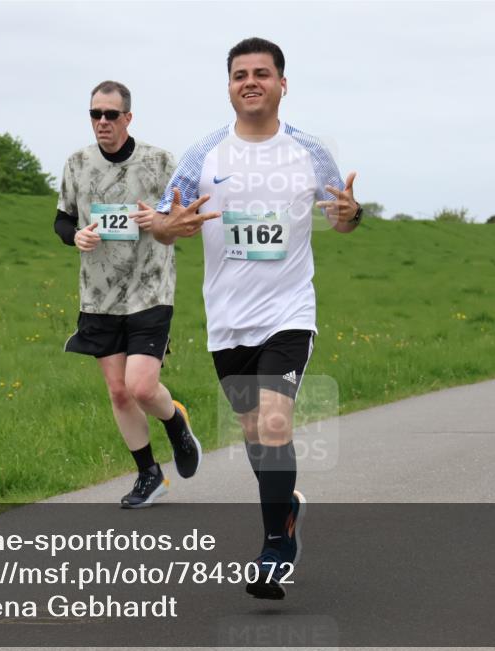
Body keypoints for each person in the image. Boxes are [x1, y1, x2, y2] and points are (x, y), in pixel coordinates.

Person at [144, 38, 363, 599]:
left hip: (289, 311)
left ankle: (274, 546)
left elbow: (342, 219)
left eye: (262, 73)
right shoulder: (202, 157)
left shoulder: (310, 153)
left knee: (272, 424)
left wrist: (350, 215)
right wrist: (170, 226)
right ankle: (285, 503)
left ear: (282, 84)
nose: (251, 81)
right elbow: (164, 222)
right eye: (240, 74)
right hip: (227, 318)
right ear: (229, 86)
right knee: (253, 432)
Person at [54, 80, 202, 509]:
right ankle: (149, 475)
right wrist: (76, 235)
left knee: (140, 387)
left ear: (128, 118)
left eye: (110, 115)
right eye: (95, 114)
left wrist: (157, 218)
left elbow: (183, 216)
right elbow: (61, 221)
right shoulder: (77, 164)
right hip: (99, 296)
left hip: (150, 288)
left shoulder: (159, 162)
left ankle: (175, 421)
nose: (102, 122)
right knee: (118, 392)